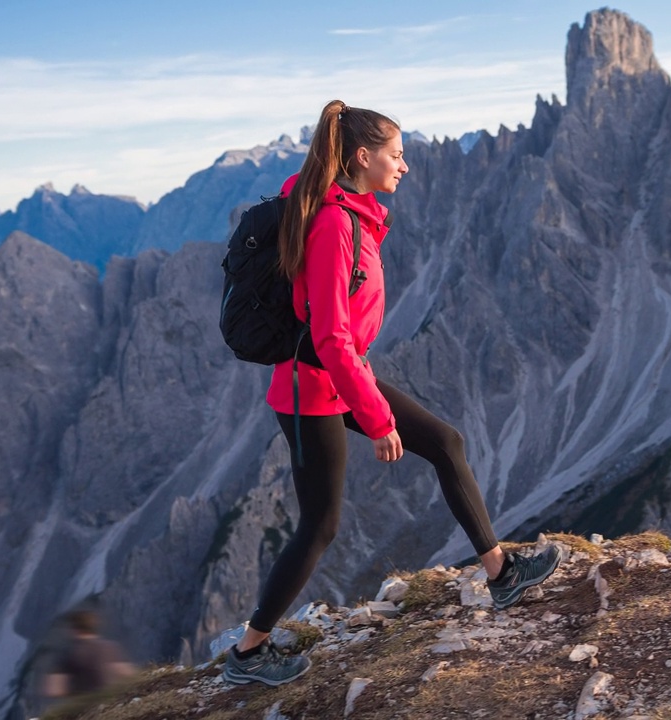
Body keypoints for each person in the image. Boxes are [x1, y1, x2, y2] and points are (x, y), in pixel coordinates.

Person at [222, 99, 561, 687]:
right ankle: (248, 655)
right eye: (396, 155)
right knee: (320, 525)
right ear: (362, 157)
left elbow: (340, 337)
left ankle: (501, 573)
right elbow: (328, 335)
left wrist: (368, 398)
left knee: (445, 442)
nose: (404, 166)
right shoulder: (333, 223)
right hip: (310, 391)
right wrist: (377, 419)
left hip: (337, 376)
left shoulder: (351, 213)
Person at [42, 610, 134, 699]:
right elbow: (128, 673)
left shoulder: (68, 654)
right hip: (111, 698)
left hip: (84, 705)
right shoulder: (110, 647)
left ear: (74, 630)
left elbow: (54, 690)